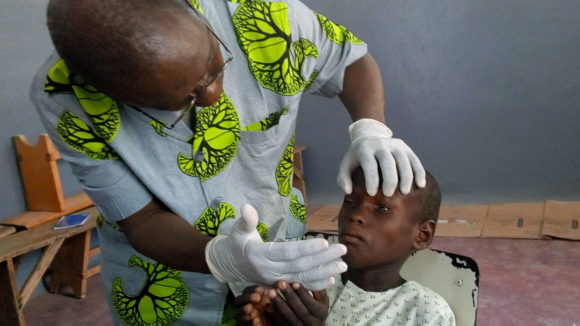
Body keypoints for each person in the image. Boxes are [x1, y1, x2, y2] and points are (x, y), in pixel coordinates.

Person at [30, 0, 425, 324]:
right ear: (110, 91)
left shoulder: (259, 12)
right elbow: (141, 219)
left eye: (215, 68)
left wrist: (370, 128)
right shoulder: (65, 99)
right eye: (179, 102)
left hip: (277, 248)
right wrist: (222, 258)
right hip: (165, 283)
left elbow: (349, 59)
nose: (213, 96)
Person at [235, 167, 455, 326]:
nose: (357, 215)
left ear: (422, 235)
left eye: (382, 209)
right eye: (350, 202)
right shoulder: (304, 284)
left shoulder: (427, 312)